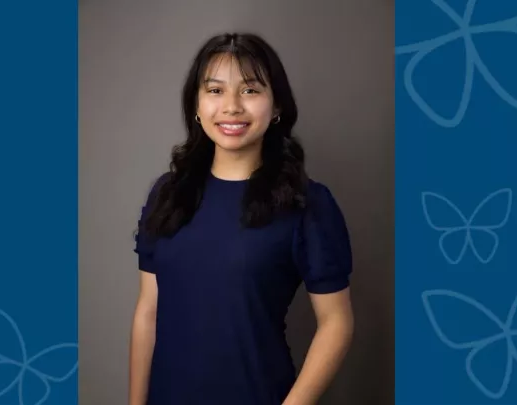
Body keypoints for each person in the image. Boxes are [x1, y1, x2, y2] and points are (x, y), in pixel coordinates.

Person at [129, 32, 354, 405]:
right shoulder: (168, 194)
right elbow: (147, 313)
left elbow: (337, 323)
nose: (231, 106)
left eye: (250, 90)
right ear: (197, 107)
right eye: (215, 91)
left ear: (277, 105)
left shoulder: (307, 204)